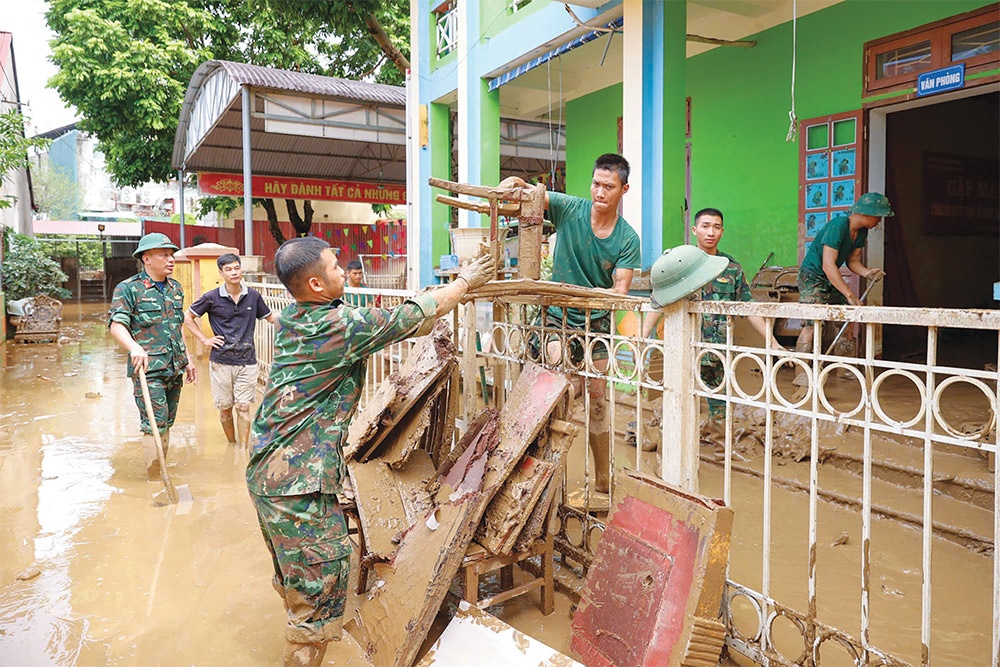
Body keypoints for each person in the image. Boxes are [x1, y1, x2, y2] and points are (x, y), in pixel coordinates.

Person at [245, 237, 495, 667]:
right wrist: (465, 283)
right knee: (321, 593)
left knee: (300, 580)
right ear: (316, 284)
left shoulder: (297, 318)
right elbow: (409, 318)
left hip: (270, 475)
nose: (344, 271)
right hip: (296, 484)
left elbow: (391, 315)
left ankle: (302, 625)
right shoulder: (336, 327)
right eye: (336, 266)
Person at [508, 153, 641, 494]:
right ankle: (544, 480)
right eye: (596, 183)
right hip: (556, 318)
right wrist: (518, 185)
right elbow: (533, 194)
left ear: (623, 190)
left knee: (598, 399)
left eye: (609, 186)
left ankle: (602, 480)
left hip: (596, 325)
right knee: (561, 389)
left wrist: (596, 293)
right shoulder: (571, 209)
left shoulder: (627, 238)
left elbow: (620, 292)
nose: (600, 191)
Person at [108, 232, 197, 481]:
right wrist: (134, 347)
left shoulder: (175, 289)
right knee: (154, 424)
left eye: (172, 255)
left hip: (175, 367)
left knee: (167, 422)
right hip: (148, 370)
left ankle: (161, 469)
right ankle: (155, 479)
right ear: (146, 258)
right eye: (164, 255)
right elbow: (117, 325)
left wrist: (187, 359)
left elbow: (177, 327)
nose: (171, 260)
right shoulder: (129, 289)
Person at [688, 208, 784, 426]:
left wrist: (772, 342)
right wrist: (643, 338)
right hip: (687, 346)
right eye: (705, 226)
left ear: (722, 231)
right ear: (695, 230)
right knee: (680, 397)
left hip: (719, 350)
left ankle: (720, 450)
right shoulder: (682, 264)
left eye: (716, 227)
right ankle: (676, 451)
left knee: (720, 404)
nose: (711, 232)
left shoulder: (731, 268)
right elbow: (661, 300)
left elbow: (748, 306)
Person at [183, 253, 277, 446]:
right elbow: (187, 317)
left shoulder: (253, 296)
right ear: (221, 273)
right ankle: (232, 444)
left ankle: (241, 452)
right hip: (221, 362)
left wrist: (300, 319)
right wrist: (204, 340)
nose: (234, 272)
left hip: (247, 361)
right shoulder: (211, 298)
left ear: (241, 270)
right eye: (228, 269)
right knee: (225, 408)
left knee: (243, 407)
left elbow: (271, 318)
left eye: (236, 268)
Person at [794, 192, 892, 365]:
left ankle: (845, 369)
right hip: (812, 275)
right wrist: (849, 294)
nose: (879, 221)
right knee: (812, 323)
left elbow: (853, 260)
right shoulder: (838, 226)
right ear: (867, 213)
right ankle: (802, 374)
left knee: (846, 315)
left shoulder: (862, 233)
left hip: (828, 277)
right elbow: (828, 265)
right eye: (878, 217)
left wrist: (867, 273)